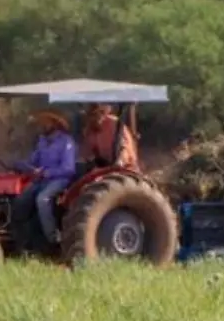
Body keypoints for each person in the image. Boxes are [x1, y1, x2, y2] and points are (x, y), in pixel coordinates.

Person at [11, 111, 77, 247]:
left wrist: (46, 173)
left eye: (45, 122)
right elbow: (33, 160)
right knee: (20, 199)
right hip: (41, 180)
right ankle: (20, 236)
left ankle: (53, 239)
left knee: (42, 199)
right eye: (41, 122)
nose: (42, 125)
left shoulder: (66, 142)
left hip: (60, 180)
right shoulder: (42, 141)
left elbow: (69, 169)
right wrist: (23, 165)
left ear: (54, 123)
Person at [80, 102, 139, 172]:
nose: (93, 118)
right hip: (104, 167)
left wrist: (120, 161)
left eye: (98, 113)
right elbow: (87, 153)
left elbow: (124, 148)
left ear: (104, 113)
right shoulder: (90, 130)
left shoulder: (115, 124)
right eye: (90, 115)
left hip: (123, 168)